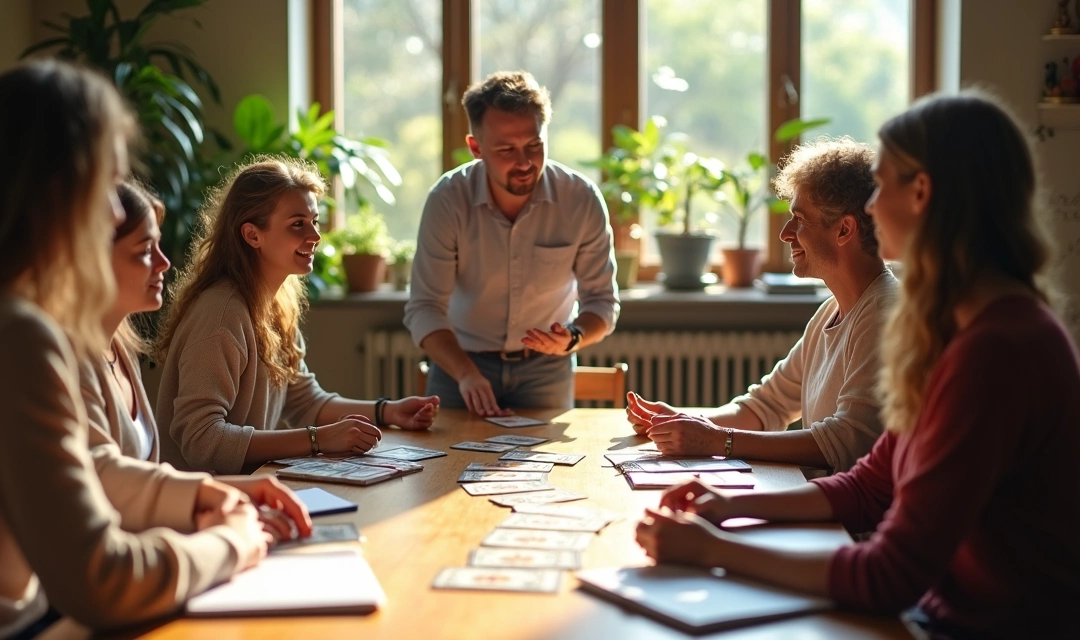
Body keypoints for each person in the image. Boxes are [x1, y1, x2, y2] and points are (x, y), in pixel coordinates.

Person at [635, 92, 1080, 638]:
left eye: (883, 183)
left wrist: (713, 551)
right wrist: (725, 506)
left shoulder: (999, 348)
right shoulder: (954, 326)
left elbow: (888, 575)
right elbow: (869, 485)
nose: (870, 207)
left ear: (922, 194)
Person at [0, 61, 269, 638]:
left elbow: (77, 466)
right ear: (60, 193)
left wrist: (194, 493)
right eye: (106, 184)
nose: (113, 210)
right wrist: (232, 544)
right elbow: (102, 581)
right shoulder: (10, 335)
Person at [156, 156, 440, 474]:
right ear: (252, 235)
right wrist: (317, 440)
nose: (315, 236)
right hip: (202, 510)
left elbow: (306, 402)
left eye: (314, 221)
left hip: (248, 492)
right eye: (297, 224)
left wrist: (388, 411)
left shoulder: (274, 303)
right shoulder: (222, 316)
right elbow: (201, 442)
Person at [628, 138, 896, 473]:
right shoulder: (830, 312)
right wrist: (683, 421)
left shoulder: (886, 315)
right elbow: (765, 406)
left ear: (844, 229)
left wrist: (716, 441)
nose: (786, 233)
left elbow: (847, 442)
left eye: (799, 218)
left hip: (852, 525)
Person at [81, 180, 311, 543]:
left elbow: (144, 481)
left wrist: (238, 495)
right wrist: (225, 523)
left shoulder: (122, 347)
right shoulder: (221, 313)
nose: (164, 262)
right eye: (145, 250)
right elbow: (106, 486)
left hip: (164, 537)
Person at [404, 70, 620, 416]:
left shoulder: (580, 199)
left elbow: (602, 303)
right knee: (444, 467)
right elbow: (424, 307)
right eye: (506, 149)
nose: (524, 162)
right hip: (460, 364)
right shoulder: (448, 199)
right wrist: (466, 375)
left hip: (547, 369)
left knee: (549, 469)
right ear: (476, 148)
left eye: (534, 145)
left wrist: (574, 337)